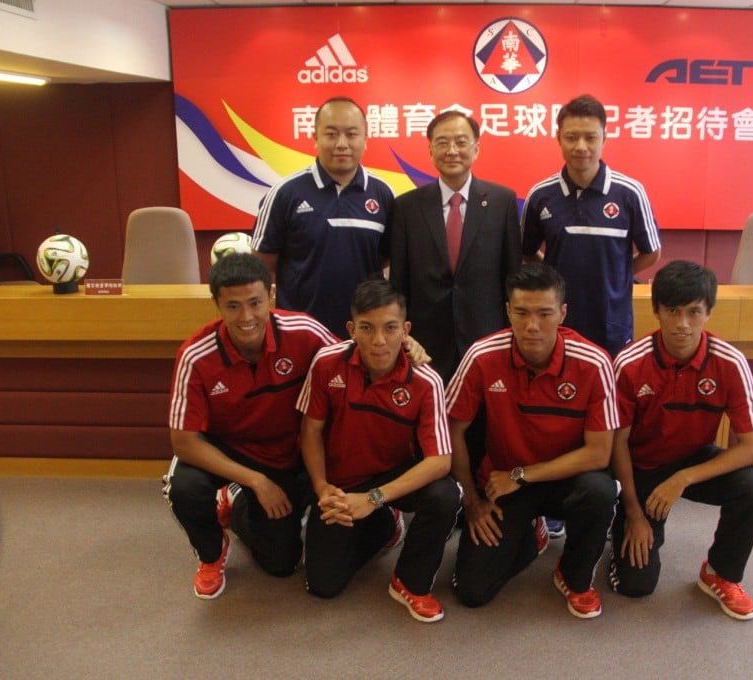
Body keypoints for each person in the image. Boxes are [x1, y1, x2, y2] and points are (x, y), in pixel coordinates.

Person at [446, 263, 618, 619]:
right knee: (472, 591)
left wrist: (523, 474)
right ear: (508, 310)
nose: (532, 325)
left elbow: (599, 454)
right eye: (521, 313)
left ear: (563, 313)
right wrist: (474, 503)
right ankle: (529, 536)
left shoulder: (595, 362)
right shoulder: (482, 355)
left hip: (564, 481)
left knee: (600, 491)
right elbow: (452, 430)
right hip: (504, 484)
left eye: (544, 313)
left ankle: (573, 576)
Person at [165, 253, 336, 599]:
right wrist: (256, 480)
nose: (246, 317)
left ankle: (238, 498)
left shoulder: (304, 331)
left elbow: (352, 363)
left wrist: (407, 347)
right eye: (233, 306)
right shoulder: (195, 355)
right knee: (184, 487)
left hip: (288, 449)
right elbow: (184, 442)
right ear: (217, 305)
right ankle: (211, 554)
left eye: (255, 303)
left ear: (271, 296)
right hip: (228, 448)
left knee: (281, 563)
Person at [610, 259, 753, 620]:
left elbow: (752, 447)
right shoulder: (629, 363)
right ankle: (620, 522)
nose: (682, 324)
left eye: (693, 312)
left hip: (693, 462)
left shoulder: (730, 362)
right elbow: (616, 444)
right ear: (656, 311)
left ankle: (720, 573)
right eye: (672, 311)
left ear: (709, 312)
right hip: (640, 470)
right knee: (635, 586)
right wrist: (635, 514)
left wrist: (682, 479)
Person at [297, 278, 460, 623]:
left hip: (390, 479)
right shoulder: (327, 363)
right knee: (322, 585)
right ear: (351, 329)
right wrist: (321, 486)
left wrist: (373, 498)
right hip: (340, 484)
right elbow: (310, 430)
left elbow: (440, 461)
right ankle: (384, 527)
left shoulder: (426, 379)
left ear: (406, 330)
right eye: (367, 328)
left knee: (445, 494)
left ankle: (410, 582)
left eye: (390, 328)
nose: (379, 340)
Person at [522, 93, 662, 357]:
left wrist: (616, 273)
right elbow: (527, 251)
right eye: (572, 137)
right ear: (559, 138)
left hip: (612, 320)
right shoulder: (541, 195)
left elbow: (652, 252)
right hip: (557, 321)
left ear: (604, 139)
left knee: (608, 392)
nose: (581, 146)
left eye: (590, 137)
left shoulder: (630, 193)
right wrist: (552, 271)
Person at [389, 110, 522, 383]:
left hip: (486, 337)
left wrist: (510, 333)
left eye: (461, 142)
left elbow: (512, 275)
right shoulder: (406, 207)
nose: (452, 151)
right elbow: (399, 282)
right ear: (430, 150)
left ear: (476, 149)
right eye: (442, 142)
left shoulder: (502, 201)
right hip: (425, 342)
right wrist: (402, 334)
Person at [251, 96, 394, 337]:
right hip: (301, 333)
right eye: (331, 134)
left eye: (351, 134)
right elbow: (261, 264)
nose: (341, 144)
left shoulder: (383, 193)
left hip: (366, 335)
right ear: (315, 138)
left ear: (366, 140)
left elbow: (384, 257)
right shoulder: (286, 193)